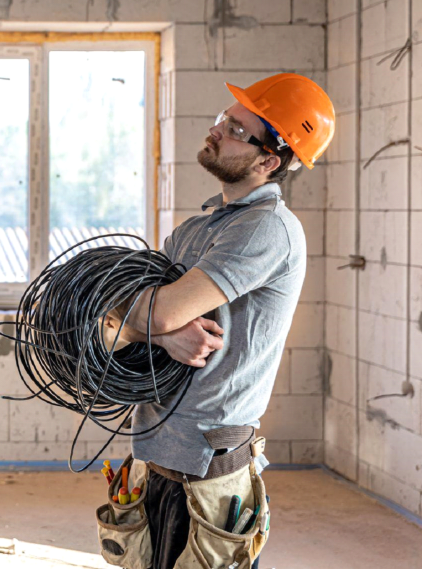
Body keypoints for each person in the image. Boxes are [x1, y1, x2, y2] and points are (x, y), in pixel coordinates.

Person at [106, 73, 335, 569]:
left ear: (268, 160)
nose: (216, 130)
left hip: (208, 461)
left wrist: (150, 319)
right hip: (154, 446)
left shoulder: (265, 228)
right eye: (223, 120)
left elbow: (145, 309)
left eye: (235, 130)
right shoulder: (194, 230)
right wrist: (165, 338)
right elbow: (120, 305)